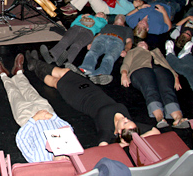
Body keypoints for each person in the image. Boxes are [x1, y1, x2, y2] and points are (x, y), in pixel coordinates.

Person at [25, 50, 160, 147]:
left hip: (78, 98)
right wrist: (134, 140)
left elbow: (103, 148)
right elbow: (155, 131)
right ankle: (35, 63)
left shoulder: (107, 130)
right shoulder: (131, 128)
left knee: (56, 82)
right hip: (91, 89)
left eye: (125, 123)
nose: (126, 119)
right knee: (66, 72)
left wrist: (122, 144)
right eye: (129, 120)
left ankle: (34, 64)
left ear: (118, 132)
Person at [0, 55, 74, 162]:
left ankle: (3, 75)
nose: (65, 158)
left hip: (27, 118)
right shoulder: (70, 150)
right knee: (29, 90)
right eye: (67, 160)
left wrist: (34, 119)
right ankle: (18, 73)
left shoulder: (36, 158)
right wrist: (53, 117)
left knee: (14, 94)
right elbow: (68, 129)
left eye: (63, 161)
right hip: (46, 113)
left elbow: (21, 139)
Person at [120, 41, 189, 129]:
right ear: (136, 45)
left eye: (145, 42)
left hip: (160, 69)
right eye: (140, 42)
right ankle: (159, 118)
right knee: (150, 89)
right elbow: (126, 63)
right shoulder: (132, 52)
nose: (143, 43)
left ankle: (178, 118)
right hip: (141, 69)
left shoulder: (156, 51)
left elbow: (166, 64)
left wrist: (175, 76)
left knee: (168, 90)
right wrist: (124, 74)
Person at [71, 14, 133, 85]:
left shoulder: (127, 29)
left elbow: (129, 41)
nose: (120, 17)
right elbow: (98, 35)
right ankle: (85, 69)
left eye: (122, 17)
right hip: (102, 38)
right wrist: (91, 43)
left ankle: (101, 74)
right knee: (92, 52)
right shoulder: (107, 25)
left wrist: (126, 50)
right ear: (114, 21)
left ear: (124, 22)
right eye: (118, 16)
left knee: (110, 57)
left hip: (118, 41)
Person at [40, 13, 108, 66]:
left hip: (88, 32)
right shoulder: (86, 16)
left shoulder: (103, 21)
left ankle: (66, 60)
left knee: (77, 45)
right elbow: (72, 24)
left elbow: (100, 25)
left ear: (105, 18)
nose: (100, 13)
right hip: (75, 28)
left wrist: (91, 17)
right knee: (65, 40)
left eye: (102, 14)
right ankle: (52, 56)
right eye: (99, 12)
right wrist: (80, 16)